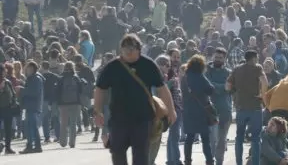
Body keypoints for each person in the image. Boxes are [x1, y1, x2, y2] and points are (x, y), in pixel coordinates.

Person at [94, 34, 177, 165]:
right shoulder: (112, 67)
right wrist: (98, 111)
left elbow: (162, 89)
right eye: (124, 48)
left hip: (142, 119)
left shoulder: (149, 65)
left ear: (139, 49)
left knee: (141, 157)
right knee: (117, 154)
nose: (127, 51)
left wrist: (171, 110)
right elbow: (99, 89)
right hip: (118, 119)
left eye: (131, 48)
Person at [226, 50, 268, 165]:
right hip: (255, 107)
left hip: (240, 107)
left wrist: (235, 94)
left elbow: (227, 86)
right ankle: (255, 163)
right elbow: (265, 82)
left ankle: (239, 163)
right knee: (255, 138)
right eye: (257, 58)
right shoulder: (257, 68)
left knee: (239, 137)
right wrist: (262, 95)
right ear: (253, 58)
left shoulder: (236, 69)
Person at [181, 54, 215, 165]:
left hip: (188, 111)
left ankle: (187, 161)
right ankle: (209, 161)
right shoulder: (200, 76)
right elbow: (210, 90)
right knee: (205, 138)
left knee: (189, 138)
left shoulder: (184, 77)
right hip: (201, 110)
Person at [263, 71, 288, 153]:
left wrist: (269, 107)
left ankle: (274, 149)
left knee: (275, 129)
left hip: (274, 109)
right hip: (285, 109)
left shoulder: (280, 84)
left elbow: (266, 95)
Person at [206, 48, 233, 165]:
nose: (218, 59)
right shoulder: (207, 71)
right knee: (212, 140)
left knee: (221, 141)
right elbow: (208, 86)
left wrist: (216, 87)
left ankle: (219, 162)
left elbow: (230, 88)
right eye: (216, 57)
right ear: (212, 57)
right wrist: (222, 87)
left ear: (225, 59)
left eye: (220, 58)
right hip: (210, 111)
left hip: (225, 111)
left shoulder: (229, 73)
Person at [56, 61, 85, 148]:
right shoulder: (76, 78)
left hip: (63, 104)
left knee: (64, 123)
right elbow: (81, 91)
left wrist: (58, 102)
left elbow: (57, 91)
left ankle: (63, 142)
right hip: (75, 103)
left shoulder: (61, 78)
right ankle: (72, 143)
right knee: (73, 123)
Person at [20, 60, 44, 154]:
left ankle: (32, 145)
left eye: (29, 68)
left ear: (34, 69)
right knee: (30, 126)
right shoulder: (31, 78)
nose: (27, 70)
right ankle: (35, 145)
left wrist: (22, 90)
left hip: (33, 106)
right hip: (29, 106)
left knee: (31, 126)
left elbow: (34, 92)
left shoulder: (36, 79)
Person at [0, 65, 18, 154]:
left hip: (7, 108)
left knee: (8, 129)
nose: (5, 72)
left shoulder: (7, 82)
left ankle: (8, 147)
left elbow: (13, 94)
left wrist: (14, 102)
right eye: (4, 70)